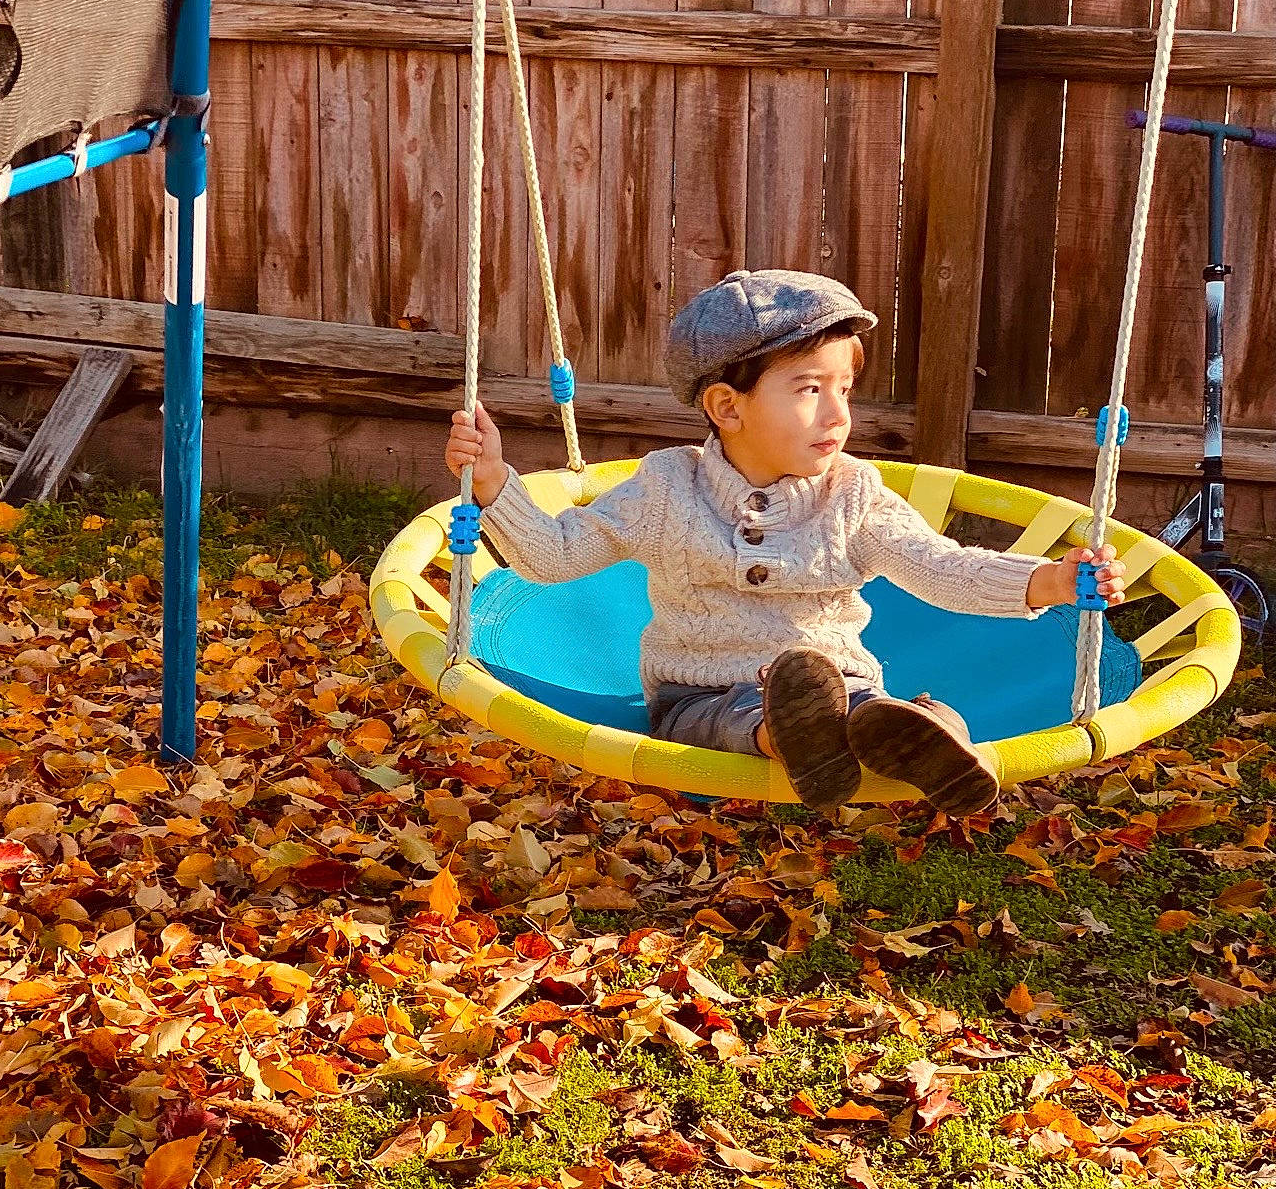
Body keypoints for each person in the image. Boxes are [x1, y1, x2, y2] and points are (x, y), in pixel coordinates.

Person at [443, 269, 1126, 816]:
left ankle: (933, 736)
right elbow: (557, 554)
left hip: (849, 686)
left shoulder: (853, 494)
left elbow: (937, 567)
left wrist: (1048, 582)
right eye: (808, 390)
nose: (837, 414)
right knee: (744, 715)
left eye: (845, 389)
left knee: (871, 708)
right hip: (699, 697)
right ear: (727, 407)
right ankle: (804, 739)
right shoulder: (666, 489)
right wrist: (495, 483)